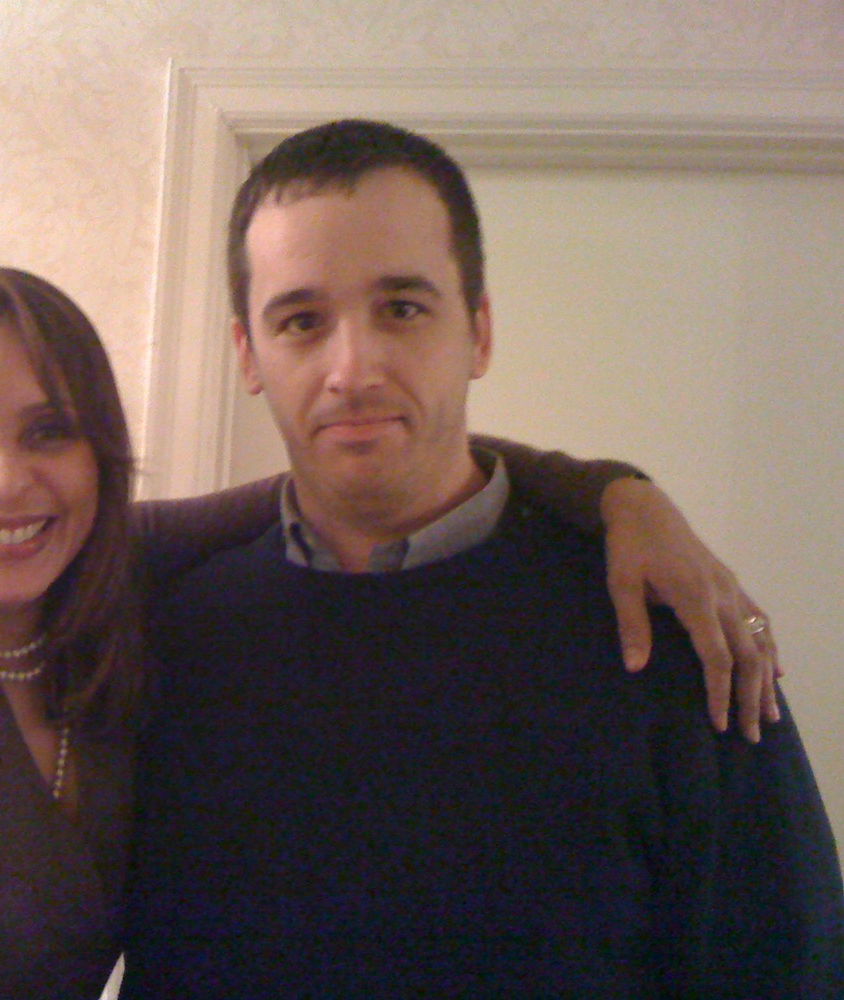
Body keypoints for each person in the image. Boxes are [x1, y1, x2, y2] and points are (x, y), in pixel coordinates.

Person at [0, 268, 781, 999]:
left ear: (100, 454)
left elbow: (355, 474)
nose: (7, 479)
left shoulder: (114, 584)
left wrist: (608, 491)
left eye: (48, 430)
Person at [122, 121, 844, 997]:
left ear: (480, 331)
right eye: (302, 321)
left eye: (402, 308)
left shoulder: (666, 626)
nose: (353, 367)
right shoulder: (171, 638)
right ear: (248, 354)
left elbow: (790, 971)